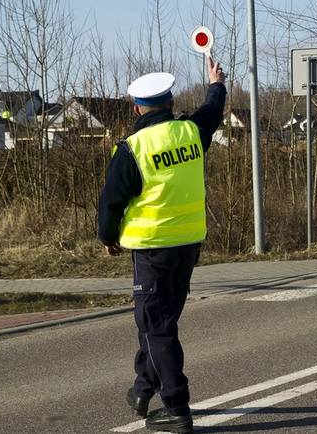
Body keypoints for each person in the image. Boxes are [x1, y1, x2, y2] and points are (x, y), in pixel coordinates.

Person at [98, 55, 226, 434]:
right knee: (161, 326)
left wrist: (108, 238)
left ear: (136, 108)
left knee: (156, 328)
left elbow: (111, 202)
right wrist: (215, 82)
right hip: (188, 247)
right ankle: (142, 389)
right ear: (171, 104)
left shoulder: (131, 149)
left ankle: (177, 408)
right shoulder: (190, 133)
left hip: (152, 250)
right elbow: (212, 111)